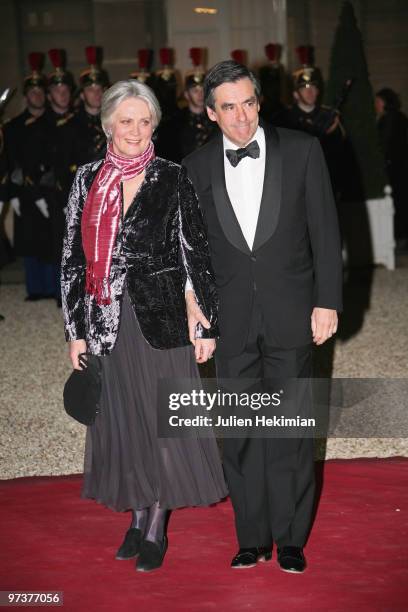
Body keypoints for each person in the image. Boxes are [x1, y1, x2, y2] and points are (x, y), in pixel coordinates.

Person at [61, 79, 227, 573]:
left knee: (164, 424)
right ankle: (136, 515)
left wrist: (207, 322)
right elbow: (71, 259)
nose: (135, 130)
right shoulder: (86, 179)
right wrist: (75, 330)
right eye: (126, 120)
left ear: (155, 124)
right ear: (108, 124)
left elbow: (195, 252)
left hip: (162, 321)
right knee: (124, 420)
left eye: (145, 120)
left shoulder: (172, 177)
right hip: (106, 321)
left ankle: (156, 523)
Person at [183, 60, 343, 573]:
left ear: (259, 101)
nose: (241, 117)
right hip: (228, 320)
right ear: (211, 113)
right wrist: (198, 316)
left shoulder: (303, 151)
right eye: (228, 107)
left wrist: (329, 300)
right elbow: (192, 252)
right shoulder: (196, 166)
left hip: (292, 312)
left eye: (248, 103)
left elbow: (326, 232)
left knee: (291, 430)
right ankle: (250, 537)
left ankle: (291, 538)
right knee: (242, 431)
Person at [4, 52, 58, 300]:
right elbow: (9, 161)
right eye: (32, 93)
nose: (36, 96)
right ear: (26, 96)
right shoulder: (13, 127)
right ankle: (35, 288)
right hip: (24, 191)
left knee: (51, 237)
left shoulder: (55, 122)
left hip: (49, 189)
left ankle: (53, 287)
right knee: (29, 239)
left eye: (40, 92)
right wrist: (12, 193)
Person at [375, 88, 408, 250]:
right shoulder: (397, 118)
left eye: (378, 101)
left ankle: (399, 238)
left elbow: (386, 146)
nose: (376, 105)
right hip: (398, 169)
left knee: (397, 204)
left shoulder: (390, 120)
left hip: (395, 170)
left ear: (385, 102)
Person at [74, 46, 108, 166]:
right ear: (82, 95)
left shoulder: (115, 121)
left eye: (99, 89)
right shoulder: (72, 125)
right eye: (90, 90)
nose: (96, 93)